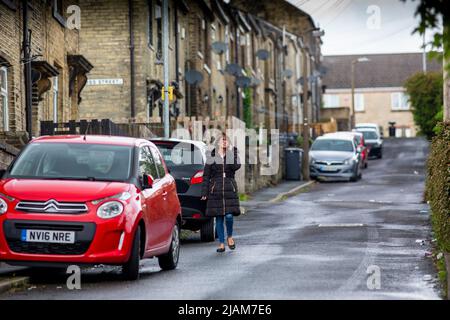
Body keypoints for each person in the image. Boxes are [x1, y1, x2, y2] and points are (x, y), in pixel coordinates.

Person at [201, 133, 241, 253]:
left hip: (229, 189)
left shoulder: (231, 154)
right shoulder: (211, 156)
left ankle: (229, 237)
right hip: (216, 190)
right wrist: (204, 192)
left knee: (229, 216)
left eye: (226, 140)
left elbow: (236, 166)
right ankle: (221, 244)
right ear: (218, 142)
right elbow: (206, 176)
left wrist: (231, 152)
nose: (224, 142)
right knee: (218, 218)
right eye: (222, 140)